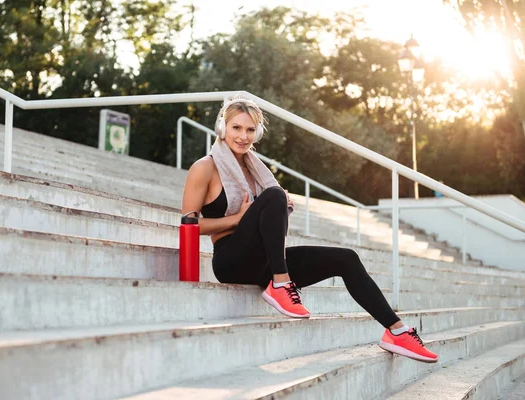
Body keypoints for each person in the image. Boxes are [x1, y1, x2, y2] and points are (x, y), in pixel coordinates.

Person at [181, 96, 438, 363]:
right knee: (274, 195)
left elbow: (264, 214)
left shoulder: (255, 170)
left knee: (346, 258)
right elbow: (188, 225)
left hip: (264, 261)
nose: (243, 136)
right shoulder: (205, 168)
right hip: (230, 261)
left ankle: (397, 332)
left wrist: (274, 206)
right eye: (236, 128)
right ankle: (281, 284)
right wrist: (238, 219)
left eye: (249, 130)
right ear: (223, 128)